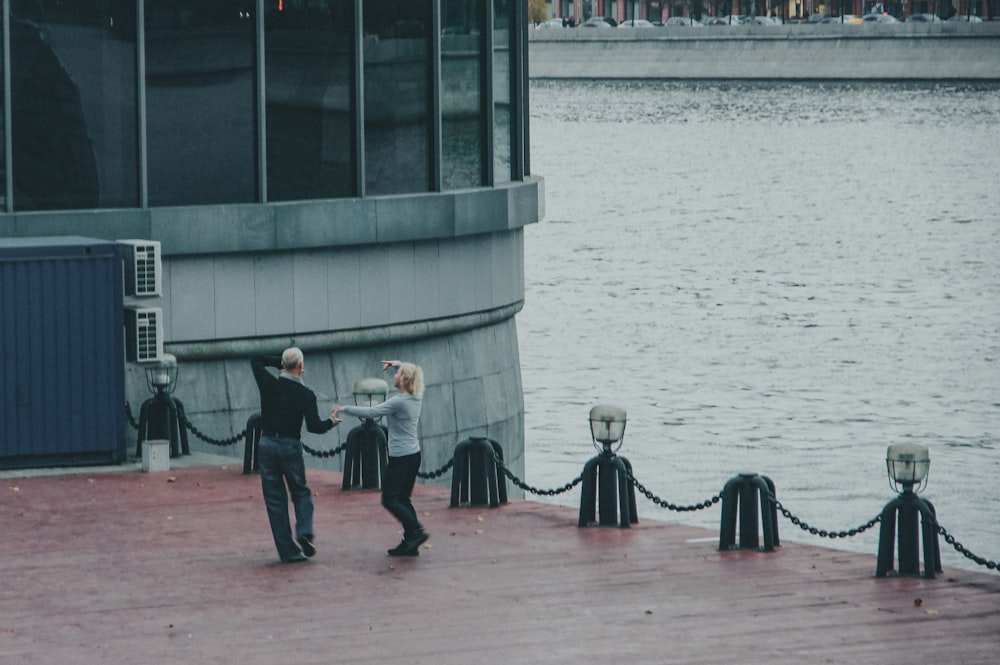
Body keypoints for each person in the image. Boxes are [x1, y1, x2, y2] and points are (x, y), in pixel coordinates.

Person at [251, 348, 340, 563]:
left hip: (267, 443)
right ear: (301, 367)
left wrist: (279, 362)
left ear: (284, 365)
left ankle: (288, 551)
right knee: (300, 490)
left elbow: (256, 359)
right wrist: (332, 421)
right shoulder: (306, 395)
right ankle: (304, 530)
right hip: (290, 445)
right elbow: (314, 427)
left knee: (275, 499)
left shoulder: (269, 383)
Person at [334, 360, 429, 557]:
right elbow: (416, 374)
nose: (395, 375)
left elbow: (372, 412)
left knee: (390, 499)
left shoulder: (399, 402)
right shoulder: (416, 396)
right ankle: (410, 540)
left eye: (398, 373)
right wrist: (398, 364)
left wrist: (344, 409)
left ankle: (417, 531)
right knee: (403, 498)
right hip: (413, 455)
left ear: (404, 380)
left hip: (401, 458)